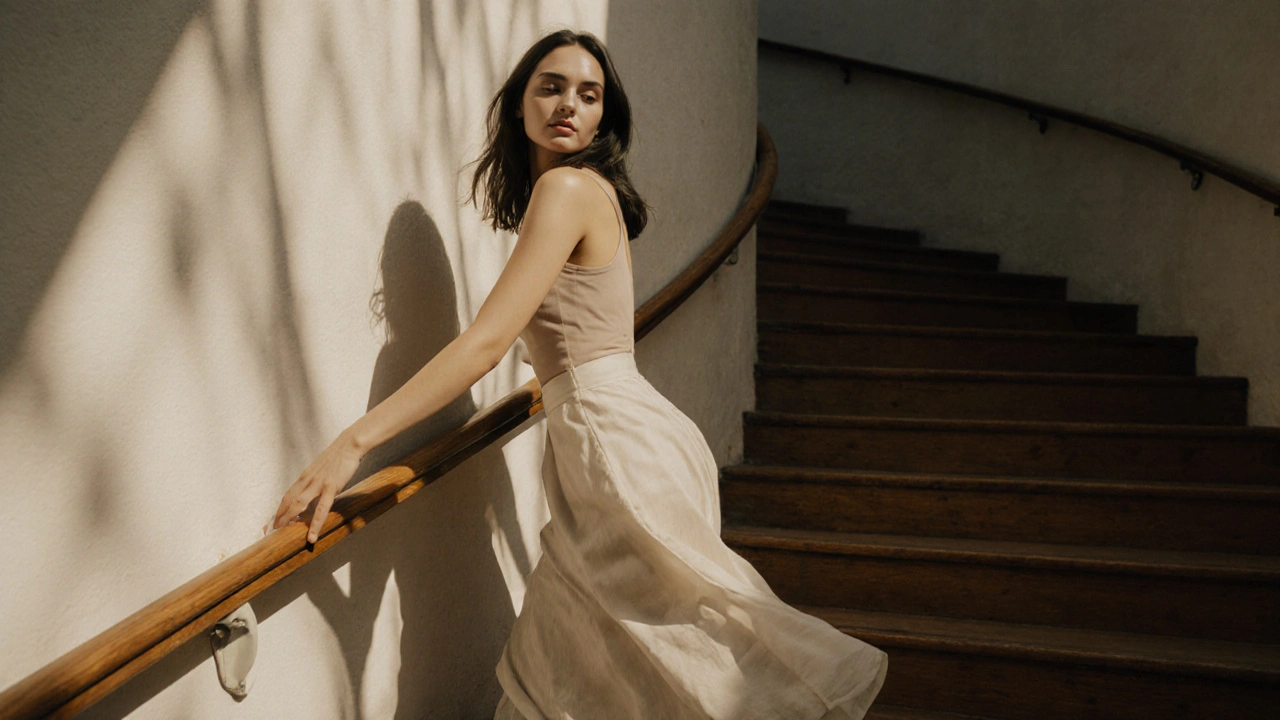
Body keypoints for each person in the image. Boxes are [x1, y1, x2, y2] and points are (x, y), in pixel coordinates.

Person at [272, 29, 887, 720]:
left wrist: (350, 445)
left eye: (588, 94)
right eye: (551, 86)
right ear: (520, 106)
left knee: (692, 665)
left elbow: (486, 343)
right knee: (585, 668)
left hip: (613, 446)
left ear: (604, 119)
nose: (568, 103)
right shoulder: (579, 195)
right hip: (617, 440)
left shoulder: (566, 189)